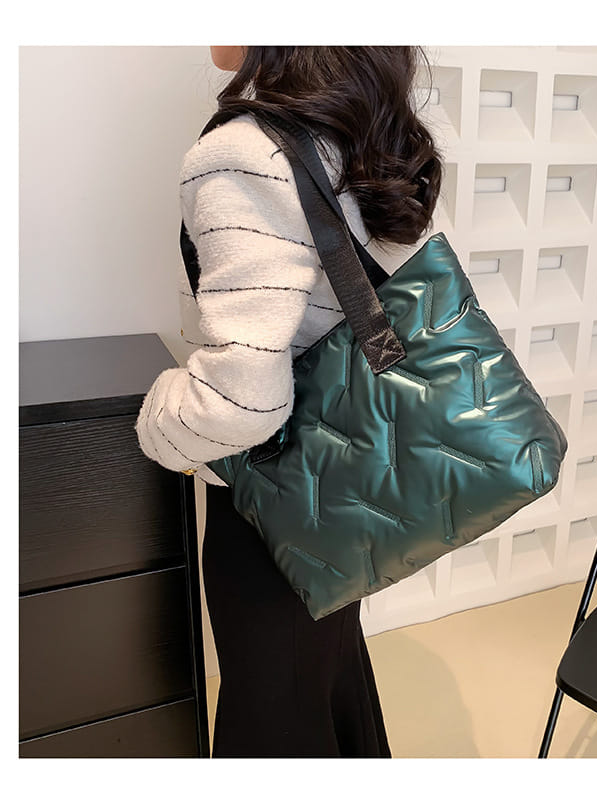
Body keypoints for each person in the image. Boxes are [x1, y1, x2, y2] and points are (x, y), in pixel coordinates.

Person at [135, 46, 443, 758]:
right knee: (325, 686)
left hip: (272, 506)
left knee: (275, 719)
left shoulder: (244, 153)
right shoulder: (370, 133)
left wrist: (159, 422)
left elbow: (244, 401)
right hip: (352, 483)